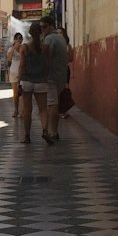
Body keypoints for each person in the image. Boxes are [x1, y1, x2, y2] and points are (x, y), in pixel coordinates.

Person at [40, 16, 72, 144]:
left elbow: (45, 56)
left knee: (52, 104)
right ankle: (52, 130)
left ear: (50, 26)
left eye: (44, 27)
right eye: (41, 27)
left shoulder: (49, 39)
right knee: (54, 102)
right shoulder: (60, 38)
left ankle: (53, 132)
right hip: (61, 75)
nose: (42, 30)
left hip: (51, 76)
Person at [18, 21, 48, 144]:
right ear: (41, 33)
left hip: (27, 81)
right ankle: (45, 130)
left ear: (30, 33)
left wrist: (19, 80)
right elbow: (48, 64)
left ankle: (27, 136)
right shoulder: (46, 48)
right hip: (41, 81)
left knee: (27, 110)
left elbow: (22, 65)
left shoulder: (25, 48)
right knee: (43, 109)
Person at [6, 33, 25, 120]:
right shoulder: (11, 49)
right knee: (15, 93)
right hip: (13, 72)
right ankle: (16, 110)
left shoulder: (23, 48)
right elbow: (9, 58)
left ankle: (22, 111)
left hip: (21, 72)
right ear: (14, 40)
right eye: (17, 38)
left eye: (20, 38)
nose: (19, 40)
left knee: (22, 93)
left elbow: (24, 58)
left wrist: (20, 48)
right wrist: (14, 48)